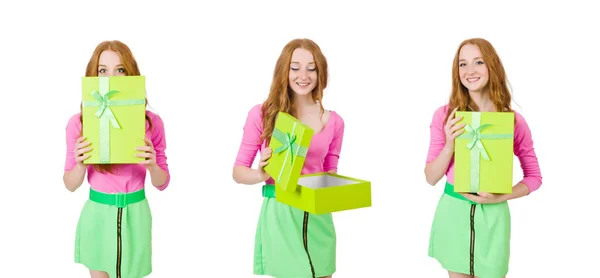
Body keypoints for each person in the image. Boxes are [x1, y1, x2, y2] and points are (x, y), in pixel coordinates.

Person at [425, 38, 543, 278]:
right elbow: (430, 177)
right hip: (453, 213)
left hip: (494, 219)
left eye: (478, 62)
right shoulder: (445, 116)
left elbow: (535, 177)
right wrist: (450, 144)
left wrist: (503, 196)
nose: (470, 71)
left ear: (492, 66)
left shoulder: (513, 121)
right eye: (462, 64)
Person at [232, 38, 344, 278]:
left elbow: (329, 172)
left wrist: (339, 189)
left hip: (317, 215)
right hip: (280, 214)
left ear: (320, 72)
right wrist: (261, 174)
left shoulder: (334, 121)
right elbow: (238, 171)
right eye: (295, 67)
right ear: (284, 70)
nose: (303, 75)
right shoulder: (262, 114)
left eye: (311, 68)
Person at [63, 40, 170, 278]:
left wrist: (152, 165)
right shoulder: (78, 123)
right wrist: (81, 164)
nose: (112, 77)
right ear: (93, 76)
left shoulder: (152, 122)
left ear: (130, 74)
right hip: (98, 215)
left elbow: (162, 183)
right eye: (103, 70)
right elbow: (70, 184)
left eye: (120, 70)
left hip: (136, 215)